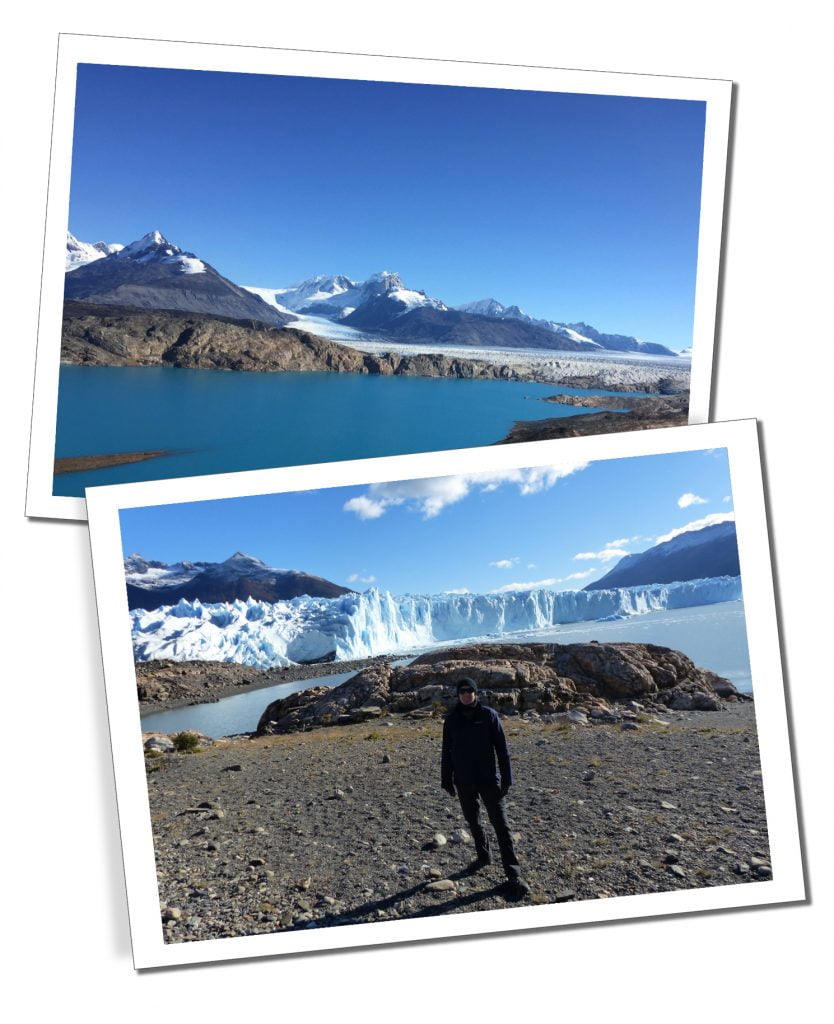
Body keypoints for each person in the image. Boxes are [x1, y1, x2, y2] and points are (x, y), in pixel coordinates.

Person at [440, 676, 531, 899]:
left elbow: (502, 749)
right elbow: (446, 752)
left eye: (469, 691)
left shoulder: (489, 716)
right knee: (474, 821)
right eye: (462, 691)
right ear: (458, 695)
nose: (466, 695)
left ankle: (513, 873)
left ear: (475, 693)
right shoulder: (451, 720)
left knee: (501, 825)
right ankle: (483, 856)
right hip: (464, 781)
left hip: (489, 780)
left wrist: (507, 778)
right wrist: (446, 780)